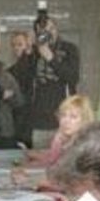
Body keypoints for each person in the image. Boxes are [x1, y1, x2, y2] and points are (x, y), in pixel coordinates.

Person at [31, 17, 80, 149]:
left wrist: (50, 58)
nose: (49, 33)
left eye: (52, 29)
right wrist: (28, 52)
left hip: (63, 117)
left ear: (56, 29)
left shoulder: (69, 49)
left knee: (65, 157)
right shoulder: (33, 52)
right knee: (40, 158)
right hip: (39, 119)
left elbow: (73, 78)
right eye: (44, 31)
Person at [21, 94, 94, 168]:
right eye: (63, 115)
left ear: (84, 121)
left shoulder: (83, 145)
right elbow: (53, 158)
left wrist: (25, 166)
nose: (66, 121)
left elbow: (54, 165)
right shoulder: (66, 138)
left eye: (73, 117)